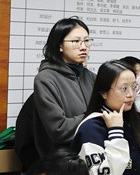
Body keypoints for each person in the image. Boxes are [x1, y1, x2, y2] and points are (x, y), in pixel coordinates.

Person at [74, 60, 140, 175]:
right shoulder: (91, 127)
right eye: (124, 88)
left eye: (134, 87)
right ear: (103, 93)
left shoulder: (133, 120)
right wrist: (116, 132)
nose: (131, 94)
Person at [30, 17, 96, 155]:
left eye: (86, 41)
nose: (83, 47)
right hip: (64, 161)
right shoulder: (45, 79)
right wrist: (96, 116)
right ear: (60, 46)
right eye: (76, 41)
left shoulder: (91, 77)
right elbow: (59, 130)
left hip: (94, 156)